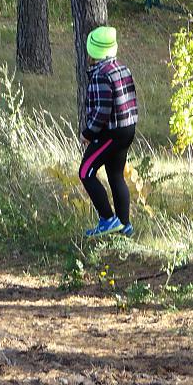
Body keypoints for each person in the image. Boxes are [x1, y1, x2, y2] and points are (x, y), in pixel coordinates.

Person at [78, 26, 138, 237]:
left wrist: (88, 133)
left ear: (93, 52)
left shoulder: (101, 75)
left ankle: (107, 219)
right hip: (128, 129)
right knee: (115, 175)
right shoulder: (122, 68)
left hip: (111, 132)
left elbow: (102, 111)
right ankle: (124, 225)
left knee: (86, 171)